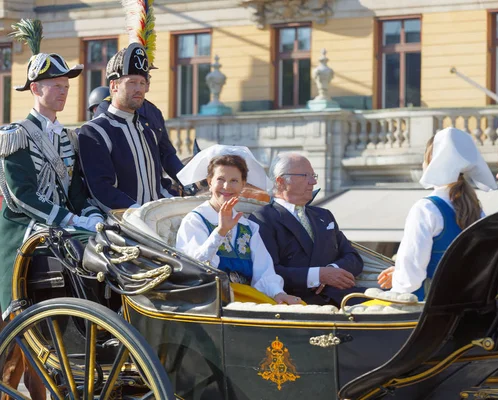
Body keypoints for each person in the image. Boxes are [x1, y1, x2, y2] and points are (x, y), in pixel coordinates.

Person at [0, 19, 104, 319]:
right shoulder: (15, 135)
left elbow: (76, 189)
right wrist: (70, 219)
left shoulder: (66, 136)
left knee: (108, 241)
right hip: (27, 229)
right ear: (35, 88)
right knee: (83, 247)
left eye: (66, 86)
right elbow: (23, 197)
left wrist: (92, 216)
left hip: (63, 226)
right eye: (57, 86)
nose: (64, 92)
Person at [377, 128, 497, 300]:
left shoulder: (426, 209)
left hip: (428, 309)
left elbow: (409, 279)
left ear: (431, 161)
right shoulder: (478, 210)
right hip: (466, 304)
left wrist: (398, 277)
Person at [175, 145, 301, 305]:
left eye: (234, 181)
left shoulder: (249, 227)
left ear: (242, 185)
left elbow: (264, 271)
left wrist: (277, 293)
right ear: (210, 182)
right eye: (220, 179)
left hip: (246, 298)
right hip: (211, 300)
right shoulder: (195, 220)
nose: (227, 187)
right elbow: (194, 268)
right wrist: (220, 232)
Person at [250, 153, 364, 307]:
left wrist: (332, 271)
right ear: (281, 181)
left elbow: (353, 258)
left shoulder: (324, 216)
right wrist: (318, 276)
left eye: (313, 175)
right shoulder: (263, 219)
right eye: (306, 176)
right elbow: (267, 273)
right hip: (300, 304)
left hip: (346, 297)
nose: (314, 181)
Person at [78, 43, 168, 212]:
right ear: (114, 86)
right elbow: (101, 189)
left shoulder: (147, 130)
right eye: (132, 82)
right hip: (119, 227)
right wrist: (138, 212)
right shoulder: (94, 131)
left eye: (142, 83)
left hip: (152, 223)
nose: (139, 89)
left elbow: (157, 185)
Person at [94, 77, 185, 195]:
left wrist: (188, 180)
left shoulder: (154, 111)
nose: (143, 82)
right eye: (133, 81)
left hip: (158, 189)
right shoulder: (107, 106)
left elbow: (167, 155)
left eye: (144, 78)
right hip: (123, 193)